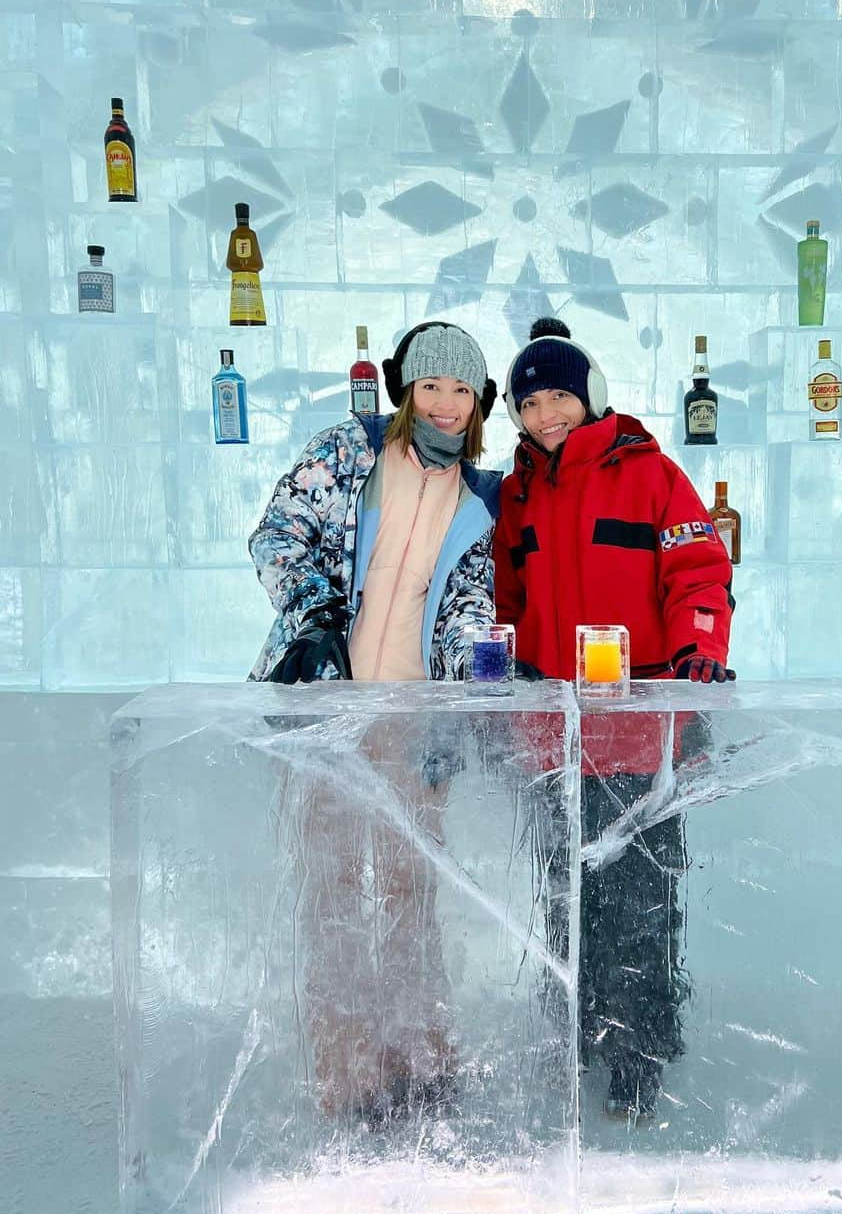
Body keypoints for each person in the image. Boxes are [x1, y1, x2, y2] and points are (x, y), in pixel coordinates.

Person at [249, 320, 501, 1124]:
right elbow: (279, 532)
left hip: (417, 721)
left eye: (462, 389)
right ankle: (345, 1070)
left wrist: (481, 671)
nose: (447, 404)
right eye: (432, 385)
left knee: (409, 891)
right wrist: (316, 614)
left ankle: (420, 1054)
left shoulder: (479, 500)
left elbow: (465, 607)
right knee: (330, 889)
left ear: (480, 401)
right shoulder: (350, 454)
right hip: (326, 703)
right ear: (406, 390)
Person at [493, 317, 735, 1122]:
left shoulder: (651, 474)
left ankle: (639, 1052)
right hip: (553, 743)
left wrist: (699, 649)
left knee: (640, 905)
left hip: (641, 739)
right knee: (567, 902)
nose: (545, 415)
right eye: (530, 403)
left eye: (559, 395)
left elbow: (699, 569)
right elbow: (507, 602)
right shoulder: (519, 493)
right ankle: (575, 1032)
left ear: (590, 396)